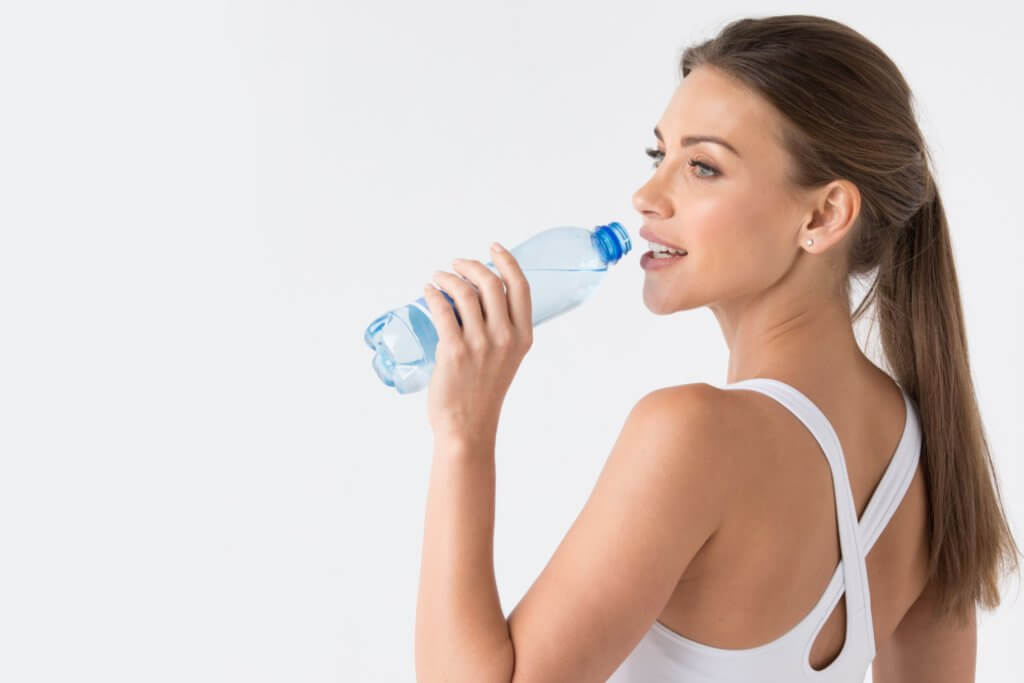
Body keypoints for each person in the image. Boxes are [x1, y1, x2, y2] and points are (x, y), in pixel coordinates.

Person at [416, 15, 1020, 683]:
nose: (647, 196)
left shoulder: (693, 435)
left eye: (703, 166)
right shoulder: (927, 456)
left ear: (823, 217)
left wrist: (463, 435)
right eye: (659, 156)